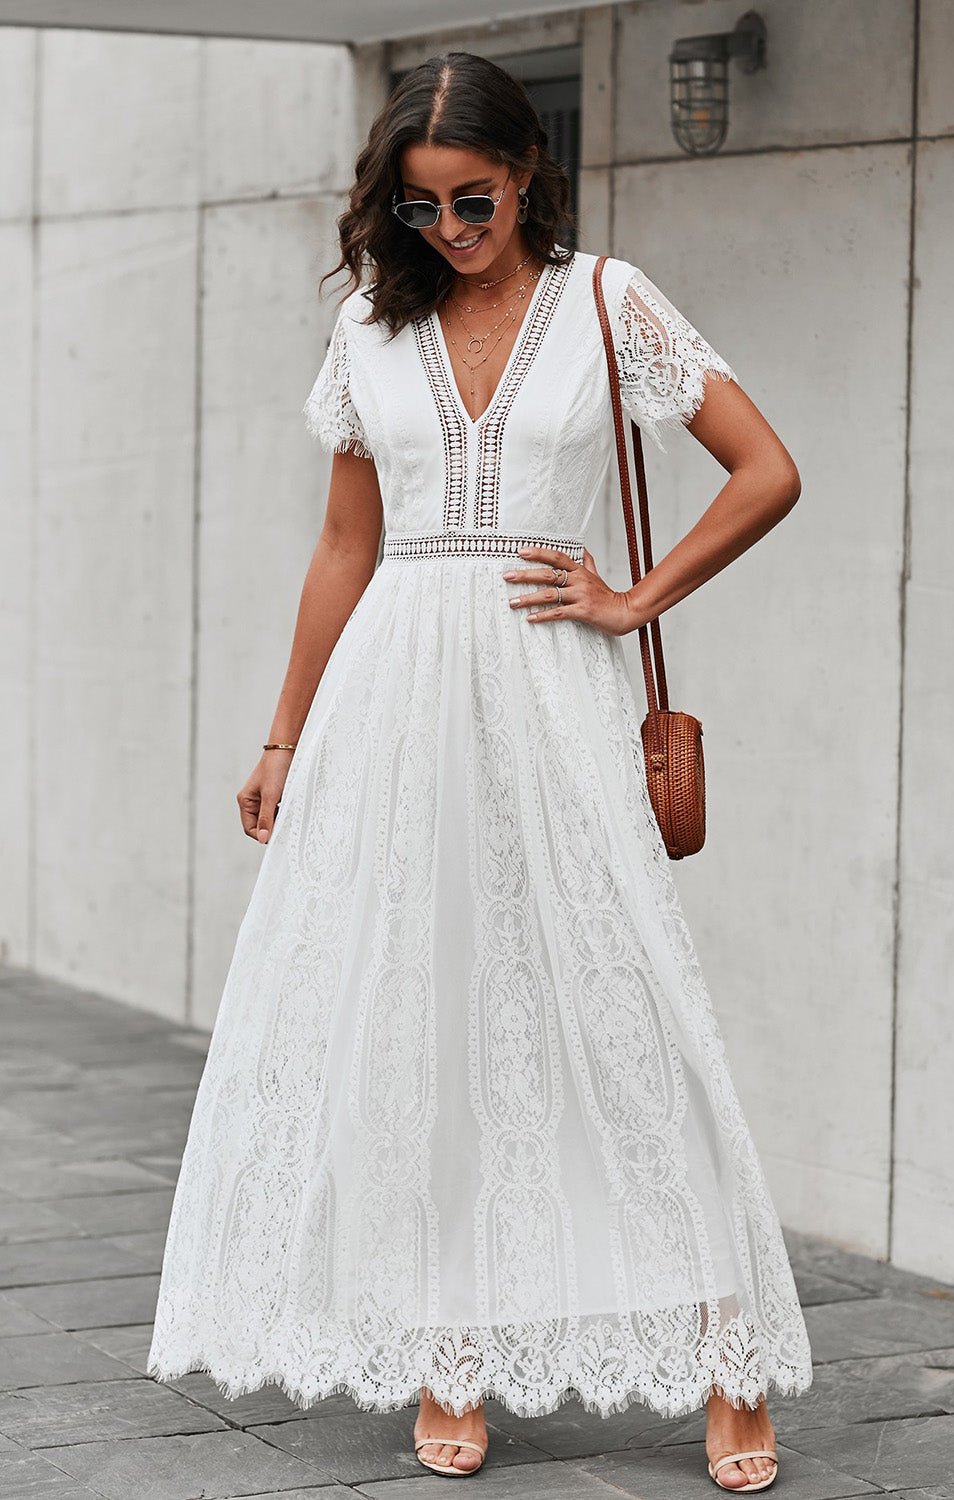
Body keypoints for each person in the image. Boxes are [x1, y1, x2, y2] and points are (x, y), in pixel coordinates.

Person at [146, 49, 812, 1493]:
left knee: (632, 1005)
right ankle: (450, 1350)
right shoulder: (372, 333)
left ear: (526, 173)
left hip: (548, 691)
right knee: (426, 1011)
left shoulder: (606, 301)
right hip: (394, 697)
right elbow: (343, 545)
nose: (450, 230)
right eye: (422, 207)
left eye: (474, 199)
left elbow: (764, 468)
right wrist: (282, 738)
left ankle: (728, 1355)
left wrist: (635, 599)